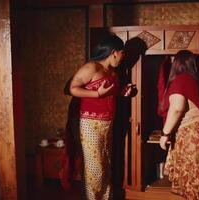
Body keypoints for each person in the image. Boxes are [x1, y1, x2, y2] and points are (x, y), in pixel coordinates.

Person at [66, 34, 135, 200]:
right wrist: (97, 93)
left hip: (108, 123)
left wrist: (122, 92)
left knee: (106, 165)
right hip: (90, 124)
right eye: (122, 53)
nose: (123, 57)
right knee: (94, 168)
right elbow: (73, 88)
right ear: (114, 52)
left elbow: (110, 93)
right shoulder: (91, 67)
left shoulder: (112, 71)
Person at [159, 50, 199, 200]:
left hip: (195, 136)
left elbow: (176, 109)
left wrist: (165, 134)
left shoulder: (181, 80)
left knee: (195, 181)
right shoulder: (198, 80)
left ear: (176, 64)